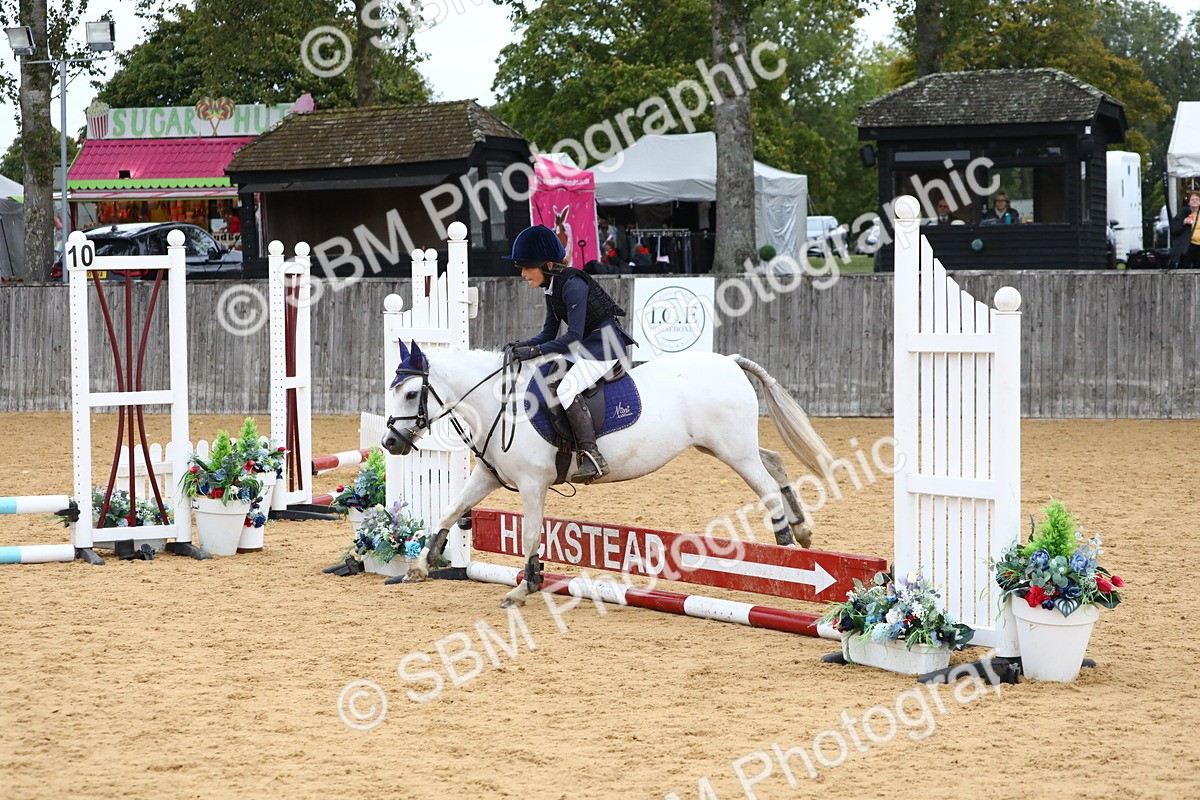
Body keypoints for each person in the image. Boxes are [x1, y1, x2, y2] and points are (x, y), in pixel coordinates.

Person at [503, 225, 637, 482]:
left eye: (526, 267)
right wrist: (523, 346)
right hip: (585, 347)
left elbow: (572, 336)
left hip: (603, 347)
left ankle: (592, 455)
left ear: (547, 264)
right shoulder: (551, 288)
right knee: (548, 380)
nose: (522, 274)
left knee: (565, 389)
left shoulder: (573, 285)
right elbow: (548, 335)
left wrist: (536, 351)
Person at [1171, 191, 1200, 268]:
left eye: (1197, 199)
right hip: (1187, 246)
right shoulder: (1183, 213)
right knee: (1184, 268)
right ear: (1189, 203)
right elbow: (1174, 229)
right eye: (1192, 199)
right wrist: (1183, 222)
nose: (1194, 201)